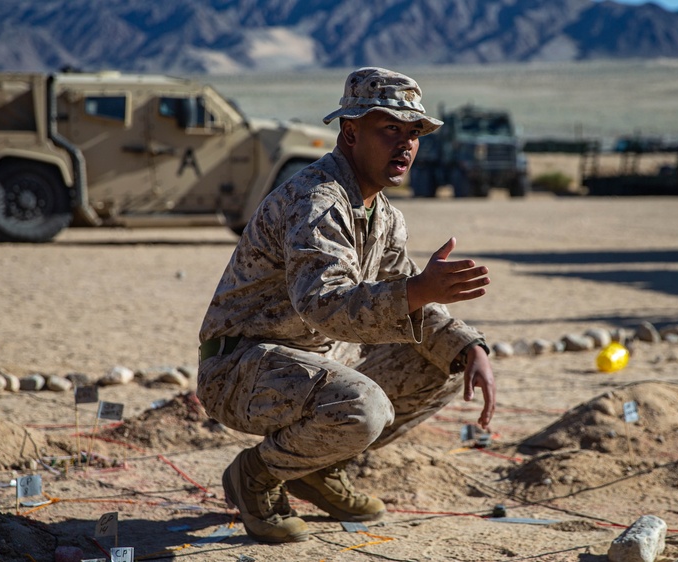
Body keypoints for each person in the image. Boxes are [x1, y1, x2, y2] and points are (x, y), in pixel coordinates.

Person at [196, 67, 496, 544]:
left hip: (317, 362)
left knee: (444, 362)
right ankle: (256, 474)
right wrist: (420, 291)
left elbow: (399, 287)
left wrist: (469, 346)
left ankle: (316, 468)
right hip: (242, 366)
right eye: (390, 130)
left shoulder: (383, 214)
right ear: (351, 132)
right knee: (361, 405)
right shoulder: (316, 201)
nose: (406, 145)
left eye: (414, 132)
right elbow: (325, 305)